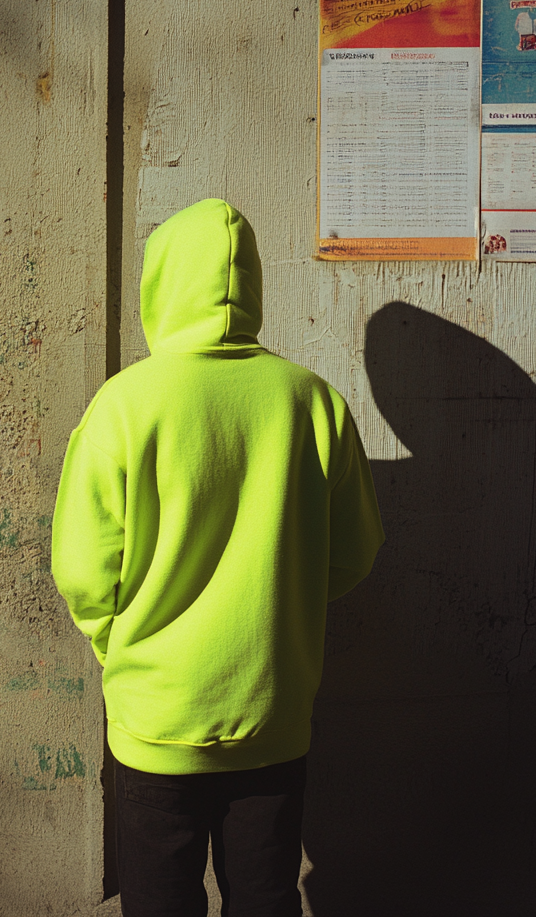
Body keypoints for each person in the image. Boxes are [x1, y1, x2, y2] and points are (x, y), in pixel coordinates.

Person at [51, 199, 384, 917]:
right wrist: (278, 606)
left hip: (152, 715)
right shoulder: (312, 402)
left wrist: (122, 644)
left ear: (160, 285)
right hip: (272, 708)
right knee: (265, 895)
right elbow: (355, 552)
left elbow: (82, 568)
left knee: (158, 899)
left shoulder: (123, 406)